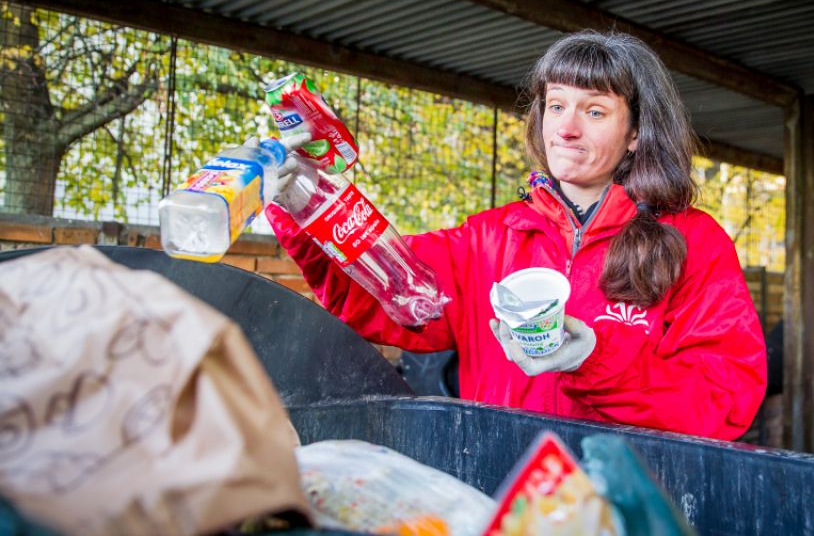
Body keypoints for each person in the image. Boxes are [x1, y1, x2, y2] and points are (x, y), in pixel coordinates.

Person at [265, 30, 767, 440]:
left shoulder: (692, 242)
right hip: (505, 488)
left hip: (621, 499)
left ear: (636, 132)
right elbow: (381, 291)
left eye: (594, 111)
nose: (566, 129)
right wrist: (305, 204)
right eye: (556, 105)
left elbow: (725, 400)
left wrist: (598, 360)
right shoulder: (489, 237)